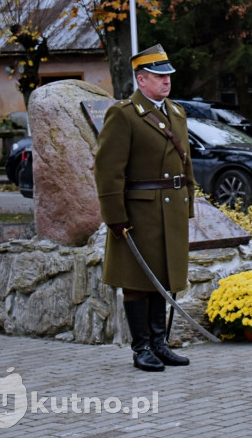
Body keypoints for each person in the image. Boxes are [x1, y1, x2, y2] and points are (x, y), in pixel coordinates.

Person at [94, 44, 195, 371]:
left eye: (168, 76)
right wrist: (115, 217)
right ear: (141, 79)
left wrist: (187, 206)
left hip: (171, 211)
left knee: (163, 278)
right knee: (138, 281)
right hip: (139, 212)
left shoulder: (176, 113)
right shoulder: (123, 114)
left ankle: (159, 344)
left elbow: (186, 165)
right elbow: (108, 170)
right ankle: (142, 349)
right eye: (159, 76)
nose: (166, 82)